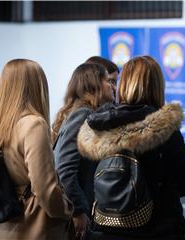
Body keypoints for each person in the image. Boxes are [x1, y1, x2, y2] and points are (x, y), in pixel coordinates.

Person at [77, 55, 185, 240]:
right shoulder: (163, 128)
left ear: (124, 84)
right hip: (158, 228)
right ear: (157, 86)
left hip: (105, 228)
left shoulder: (97, 127)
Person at [0, 59, 73, 240]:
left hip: (6, 225)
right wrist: (67, 209)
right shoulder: (33, 124)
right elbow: (45, 188)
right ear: (37, 86)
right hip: (35, 225)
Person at [52, 63, 113, 240]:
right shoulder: (82, 115)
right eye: (108, 81)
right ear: (94, 85)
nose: (113, 86)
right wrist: (79, 210)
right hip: (81, 213)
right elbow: (64, 169)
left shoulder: (89, 114)